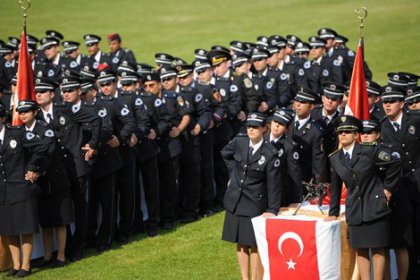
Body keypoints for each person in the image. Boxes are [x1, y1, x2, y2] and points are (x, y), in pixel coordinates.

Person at [327, 115, 401, 280]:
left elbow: (395, 163)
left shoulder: (369, 151)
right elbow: (336, 185)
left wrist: (387, 189)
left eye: (347, 132)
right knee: (360, 249)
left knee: (376, 248)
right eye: (340, 132)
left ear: (356, 135)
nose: (343, 135)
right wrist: (333, 211)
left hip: (375, 206)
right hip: (355, 209)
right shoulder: (335, 158)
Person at [221, 112, 282, 280]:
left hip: (254, 202)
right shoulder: (239, 142)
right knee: (240, 243)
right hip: (235, 200)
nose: (251, 130)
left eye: (255, 127)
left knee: (254, 244)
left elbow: (273, 184)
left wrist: (273, 209)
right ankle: (244, 278)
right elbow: (225, 153)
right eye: (249, 126)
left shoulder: (270, 153)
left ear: (264, 128)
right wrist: (232, 174)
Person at [0, 103, 49, 278]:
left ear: (2, 118)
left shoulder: (17, 132)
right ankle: (16, 264)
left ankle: (26, 265)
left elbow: (41, 147)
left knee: (25, 227)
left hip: (21, 187)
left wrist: (32, 168)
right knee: (9, 229)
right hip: (3, 191)